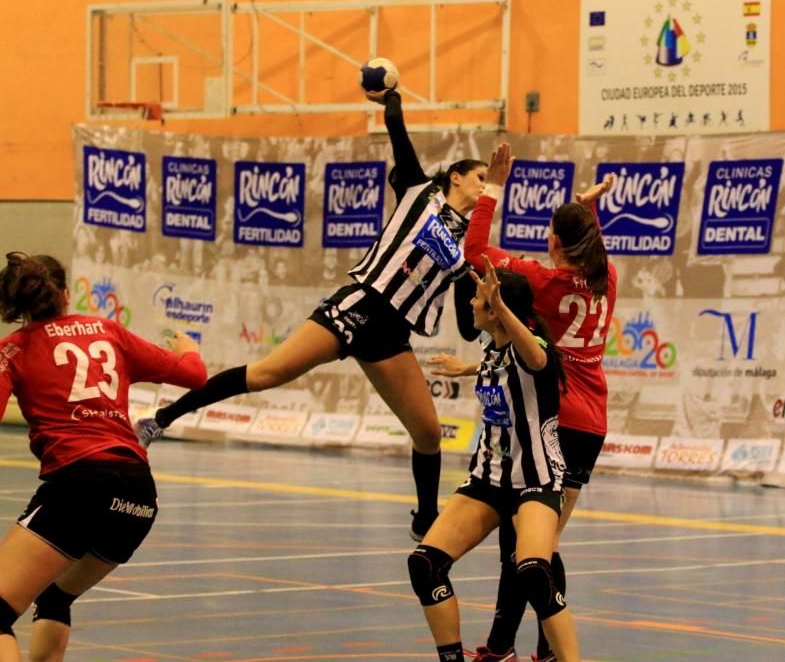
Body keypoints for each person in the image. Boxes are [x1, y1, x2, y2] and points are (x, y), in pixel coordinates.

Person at [136, 87, 500, 541]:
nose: (486, 184)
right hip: (358, 307)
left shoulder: (472, 246)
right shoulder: (420, 195)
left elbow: (469, 328)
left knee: (428, 434)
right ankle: (160, 421)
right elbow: (399, 138)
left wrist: (484, 295)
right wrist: (391, 99)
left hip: (392, 334)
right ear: (457, 177)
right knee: (267, 374)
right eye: (480, 175)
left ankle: (425, 520)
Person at [434, 169, 616, 661]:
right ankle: (517, 647)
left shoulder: (543, 282)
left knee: (530, 550)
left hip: (550, 420)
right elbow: (588, 248)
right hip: (591, 422)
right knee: (539, 547)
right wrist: (588, 208)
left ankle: (517, 649)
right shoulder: (607, 277)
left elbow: (474, 251)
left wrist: (492, 188)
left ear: (553, 239)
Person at [0, 252, 207, 661]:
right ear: (63, 294)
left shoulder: (14, 349)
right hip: (137, 494)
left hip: (80, 484)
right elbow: (194, 376)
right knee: (55, 597)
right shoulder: (107, 330)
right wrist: (189, 347)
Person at [408, 256, 579, 662]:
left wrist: (501, 306)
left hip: (536, 482)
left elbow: (534, 360)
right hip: (489, 480)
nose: (470, 304)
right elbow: (496, 365)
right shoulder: (494, 350)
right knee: (424, 565)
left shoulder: (531, 347)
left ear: (498, 310)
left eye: (478, 299)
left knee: (534, 572)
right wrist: (463, 368)